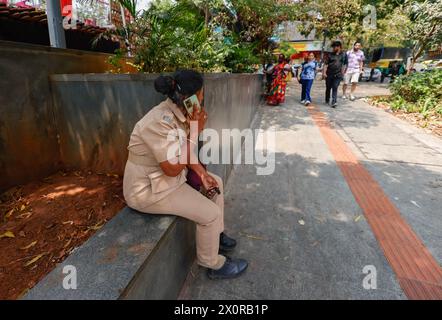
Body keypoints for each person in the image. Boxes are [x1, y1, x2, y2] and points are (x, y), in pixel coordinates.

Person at [123, 70, 248, 280]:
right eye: (201, 94)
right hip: (149, 190)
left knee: (214, 182)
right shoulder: (157, 122)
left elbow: (182, 152)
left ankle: (216, 236)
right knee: (210, 214)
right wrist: (196, 131)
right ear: (190, 97)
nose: (202, 99)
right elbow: (172, 167)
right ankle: (212, 263)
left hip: (169, 180)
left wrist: (200, 172)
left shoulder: (184, 109)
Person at [322, 40, 348, 108]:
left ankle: (334, 101)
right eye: (333, 47)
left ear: (339, 47)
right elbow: (325, 64)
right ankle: (327, 99)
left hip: (338, 75)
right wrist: (324, 73)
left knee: (335, 87)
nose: (333, 48)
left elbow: (345, 64)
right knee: (328, 87)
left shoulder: (344, 55)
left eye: (334, 47)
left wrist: (343, 72)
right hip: (329, 74)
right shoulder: (330, 55)